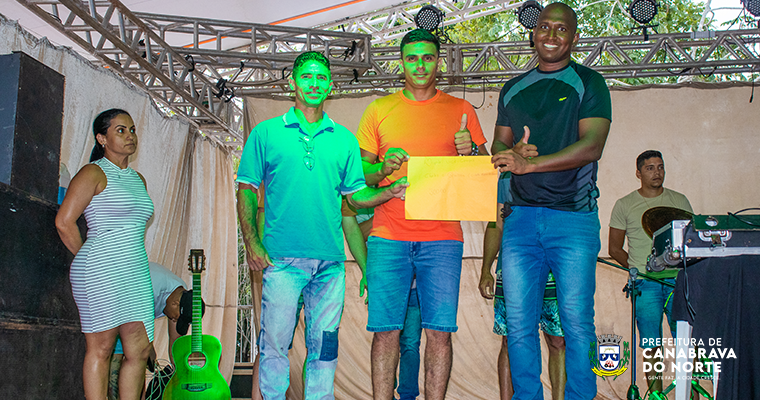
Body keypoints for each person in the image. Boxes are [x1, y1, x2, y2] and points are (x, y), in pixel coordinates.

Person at [236, 51, 407, 400]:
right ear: (293, 84)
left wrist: (388, 192)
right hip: (281, 262)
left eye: (321, 78)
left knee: (325, 350)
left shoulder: (344, 139)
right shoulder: (266, 133)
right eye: (307, 76)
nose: (314, 83)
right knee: (274, 347)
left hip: (330, 266)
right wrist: (252, 242)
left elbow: (355, 196)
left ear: (330, 86)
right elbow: (247, 189)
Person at [355, 28, 488, 400]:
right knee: (385, 333)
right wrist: (382, 168)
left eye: (427, 57)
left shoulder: (461, 110)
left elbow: (485, 172)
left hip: (442, 239)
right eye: (411, 58)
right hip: (388, 236)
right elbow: (359, 177)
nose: (419, 65)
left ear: (438, 62)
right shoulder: (378, 109)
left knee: (439, 334)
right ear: (401, 63)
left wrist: (471, 151)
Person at [490, 3, 612, 399]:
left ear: (574, 37)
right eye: (545, 26)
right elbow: (498, 147)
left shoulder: (589, 83)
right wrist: (512, 154)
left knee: (576, 323)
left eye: (562, 29)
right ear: (533, 33)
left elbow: (592, 146)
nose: (552, 35)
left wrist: (531, 164)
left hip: (573, 218)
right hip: (520, 221)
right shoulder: (513, 88)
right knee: (519, 325)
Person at [55, 109, 155, 400]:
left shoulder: (138, 179)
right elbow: (64, 222)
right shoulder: (93, 172)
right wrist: (92, 258)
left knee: (140, 350)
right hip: (101, 269)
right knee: (102, 348)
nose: (130, 136)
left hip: (135, 271)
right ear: (102, 138)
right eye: (120, 130)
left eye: (132, 129)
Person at [608, 150, 693, 394]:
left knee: (685, 343)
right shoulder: (625, 204)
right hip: (645, 285)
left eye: (660, 167)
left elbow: (691, 240)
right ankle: (656, 395)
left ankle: (689, 394)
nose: (657, 172)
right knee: (651, 345)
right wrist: (636, 269)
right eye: (650, 168)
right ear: (638, 173)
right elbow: (614, 248)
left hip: (679, 282)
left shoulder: (679, 200)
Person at [479, 173, 566, 400]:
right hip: (512, 268)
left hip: (553, 268)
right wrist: (486, 269)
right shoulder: (506, 179)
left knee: (557, 339)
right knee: (511, 340)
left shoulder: (559, 171)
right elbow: (496, 224)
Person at [107, 262, 206, 400]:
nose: (174, 320)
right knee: (122, 362)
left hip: (133, 314)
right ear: (175, 304)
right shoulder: (151, 288)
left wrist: (182, 378)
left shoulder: (180, 295)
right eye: (177, 318)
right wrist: (149, 348)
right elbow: (134, 328)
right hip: (114, 301)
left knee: (139, 360)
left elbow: (175, 345)